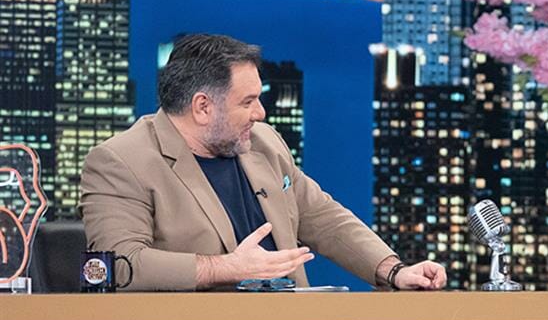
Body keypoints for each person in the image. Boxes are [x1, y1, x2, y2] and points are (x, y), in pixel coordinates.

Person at [80, 33, 446, 291]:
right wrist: (224, 268)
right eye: (247, 102)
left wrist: (394, 270)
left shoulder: (263, 142)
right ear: (203, 107)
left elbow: (322, 217)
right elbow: (118, 266)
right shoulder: (121, 162)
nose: (261, 112)